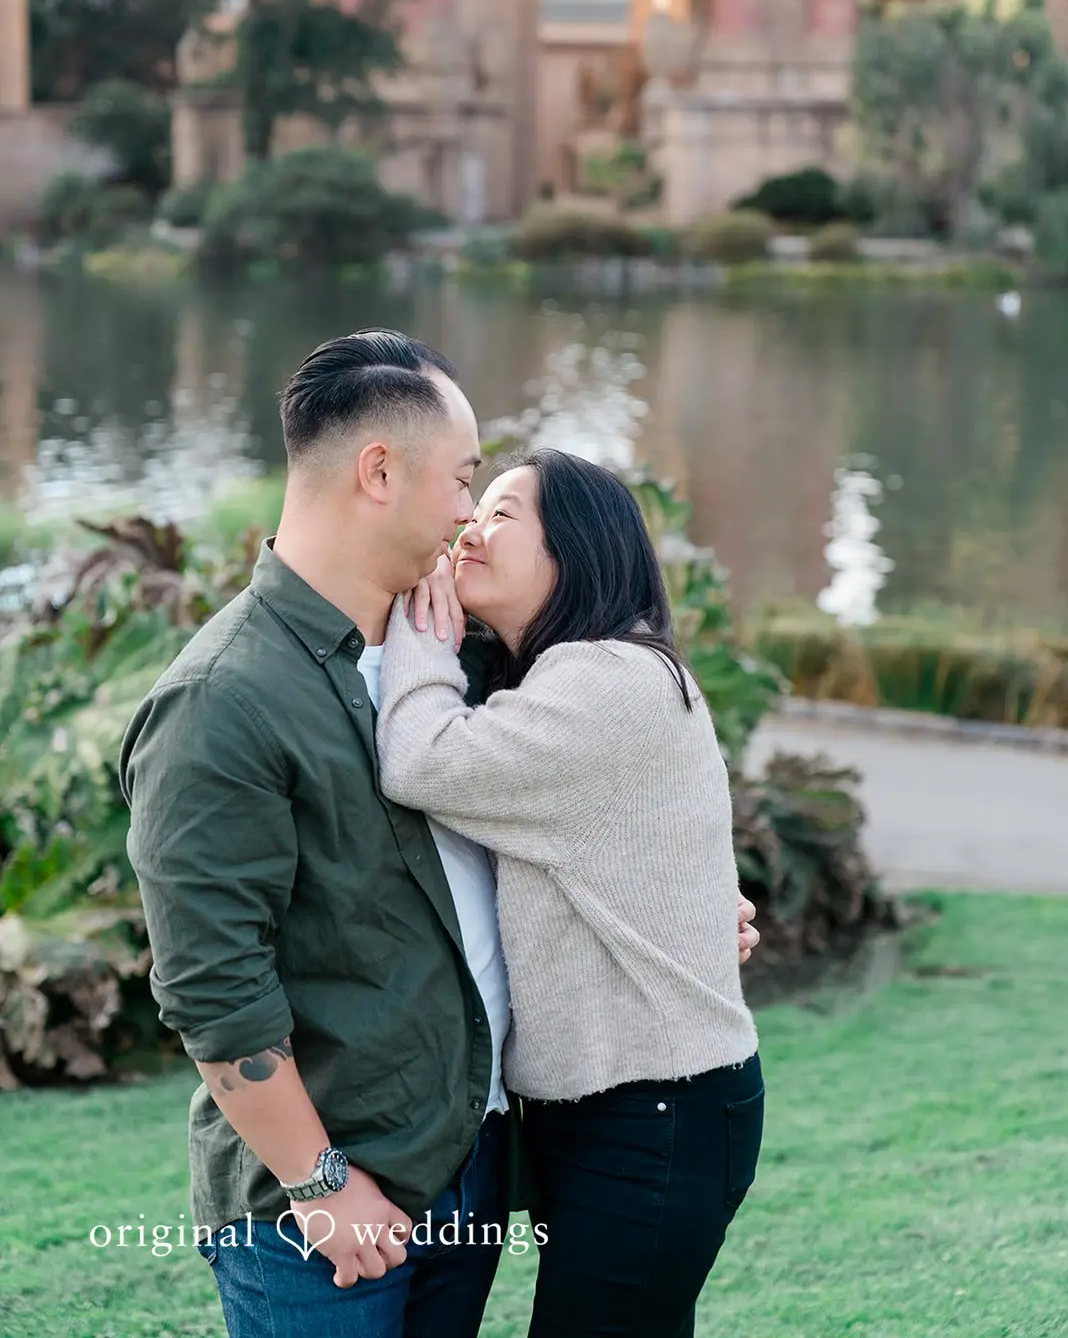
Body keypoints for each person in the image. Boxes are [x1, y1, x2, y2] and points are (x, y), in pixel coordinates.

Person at [121, 331, 760, 1338]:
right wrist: (320, 1181)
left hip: (466, 1165)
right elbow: (213, 985)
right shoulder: (225, 698)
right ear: (380, 471)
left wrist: (676, 904)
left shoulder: (467, 656)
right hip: (322, 1203)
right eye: (465, 480)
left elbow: (580, 821)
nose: (469, 512)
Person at [377, 448, 765, 1338]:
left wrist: (418, 641)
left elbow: (421, 760)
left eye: (505, 513)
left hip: (654, 1113)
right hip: (629, 1108)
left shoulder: (606, 682)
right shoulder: (577, 677)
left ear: (577, 548)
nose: (473, 526)